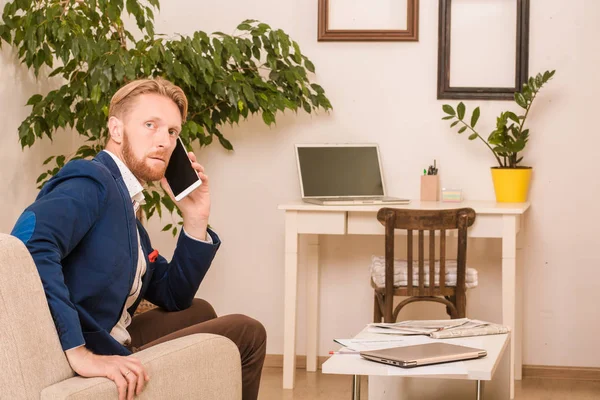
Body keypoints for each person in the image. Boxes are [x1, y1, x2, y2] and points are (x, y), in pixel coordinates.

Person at [11, 78, 266, 400]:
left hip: (108, 333)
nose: (164, 141)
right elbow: (27, 249)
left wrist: (196, 218)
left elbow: (175, 296)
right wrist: (79, 353)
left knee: (198, 310)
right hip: (86, 343)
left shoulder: (125, 204)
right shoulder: (90, 181)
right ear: (117, 130)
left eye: (172, 132)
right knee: (246, 332)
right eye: (150, 125)